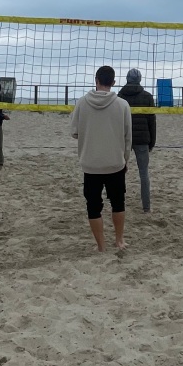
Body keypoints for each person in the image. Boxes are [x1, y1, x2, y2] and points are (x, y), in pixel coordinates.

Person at [69, 65, 132, 252]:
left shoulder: (81, 103)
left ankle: (101, 246)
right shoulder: (122, 105)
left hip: (91, 164)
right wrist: (125, 160)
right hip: (115, 163)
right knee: (118, 203)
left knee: (93, 207)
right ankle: (119, 241)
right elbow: (128, 138)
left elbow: (74, 132)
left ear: (96, 80)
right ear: (113, 83)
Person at [117, 69, 157, 213]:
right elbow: (152, 122)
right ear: (139, 80)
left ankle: (118, 204)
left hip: (124, 139)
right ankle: (146, 207)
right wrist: (151, 141)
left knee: (118, 173)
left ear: (127, 79)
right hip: (142, 139)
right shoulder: (147, 97)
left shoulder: (120, 97)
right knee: (144, 173)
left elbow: (117, 121)